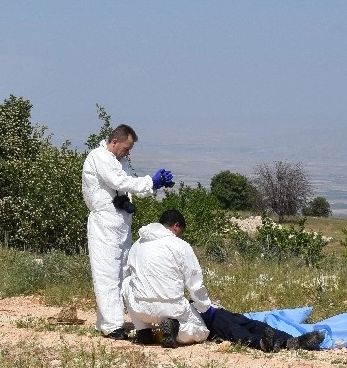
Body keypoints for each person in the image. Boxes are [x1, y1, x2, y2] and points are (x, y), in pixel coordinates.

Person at [123, 209, 325, 352]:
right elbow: (195, 283)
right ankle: (277, 341)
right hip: (173, 311)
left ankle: (145, 333)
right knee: (220, 323)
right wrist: (206, 308)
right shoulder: (179, 245)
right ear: (176, 227)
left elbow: (130, 281)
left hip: (142, 312)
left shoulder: (137, 246)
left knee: (126, 284)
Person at [82, 124, 173, 339]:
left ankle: (114, 320)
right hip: (104, 223)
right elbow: (118, 181)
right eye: (126, 147)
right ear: (115, 142)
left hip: (121, 224)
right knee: (107, 273)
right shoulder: (99, 157)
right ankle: (112, 326)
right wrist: (151, 181)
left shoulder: (119, 161)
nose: (128, 152)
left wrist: (154, 185)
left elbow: (129, 184)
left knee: (124, 273)